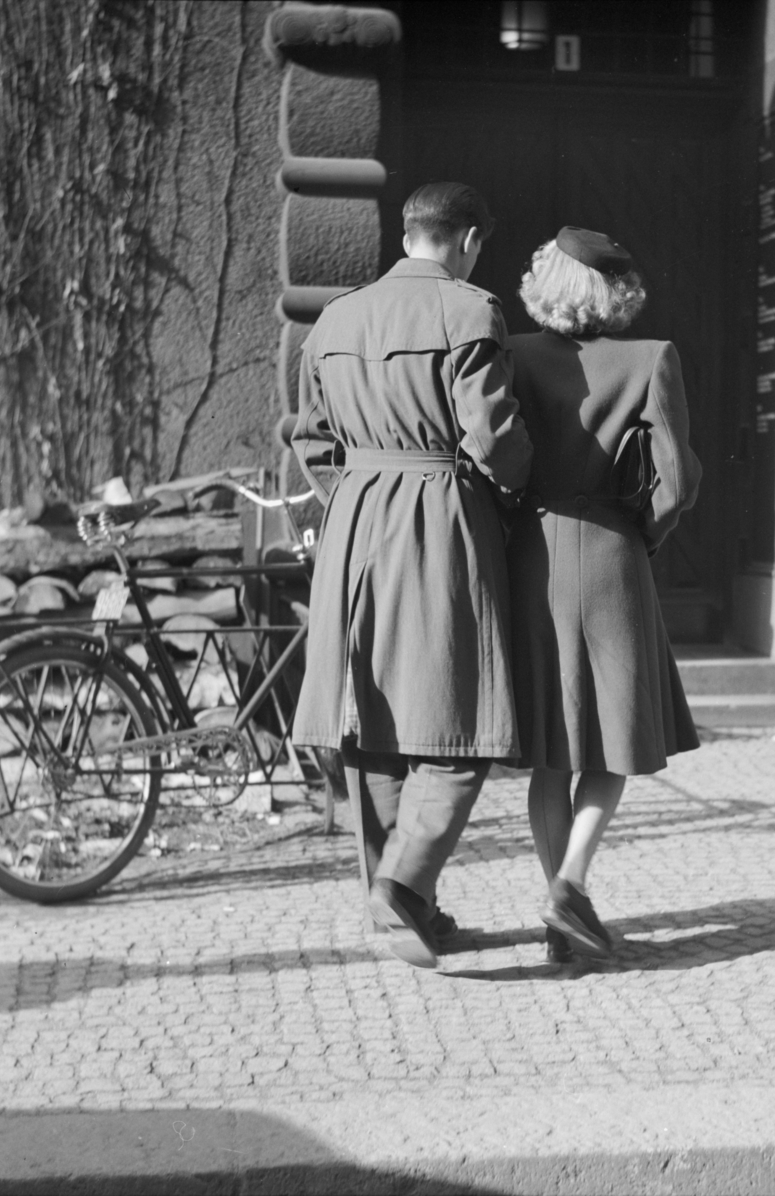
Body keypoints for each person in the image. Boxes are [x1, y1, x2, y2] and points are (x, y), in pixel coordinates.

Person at [291, 182, 532, 969]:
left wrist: (357, 493)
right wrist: (517, 492)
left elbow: (310, 438)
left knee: (372, 717)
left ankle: (400, 906)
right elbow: (492, 437)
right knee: (461, 715)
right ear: (467, 240)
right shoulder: (470, 311)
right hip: (438, 517)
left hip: (354, 521)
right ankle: (403, 883)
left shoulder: (334, 319)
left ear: (406, 236)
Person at [506, 227, 703, 963]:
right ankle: (570, 886)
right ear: (616, 292)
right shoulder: (651, 358)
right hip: (614, 555)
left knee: (551, 751)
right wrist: (642, 534)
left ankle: (558, 908)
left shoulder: (512, 356)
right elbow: (675, 482)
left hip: (533, 554)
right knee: (614, 739)